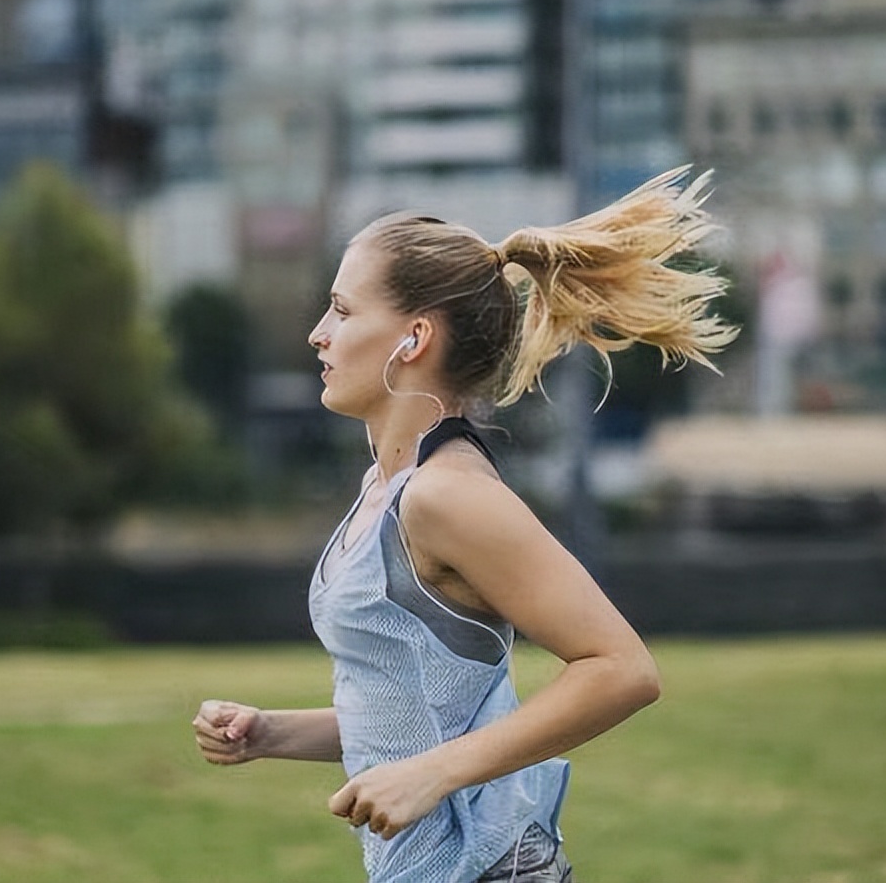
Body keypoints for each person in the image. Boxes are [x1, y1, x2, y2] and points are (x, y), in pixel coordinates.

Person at [192, 166, 738, 883]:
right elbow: (415, 716)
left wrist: (435, 775)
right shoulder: (385, 490)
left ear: (412, 338)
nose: (318, 335)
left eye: (343, 311)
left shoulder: (448, 497)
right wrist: (273, 732)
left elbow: (623, 670)